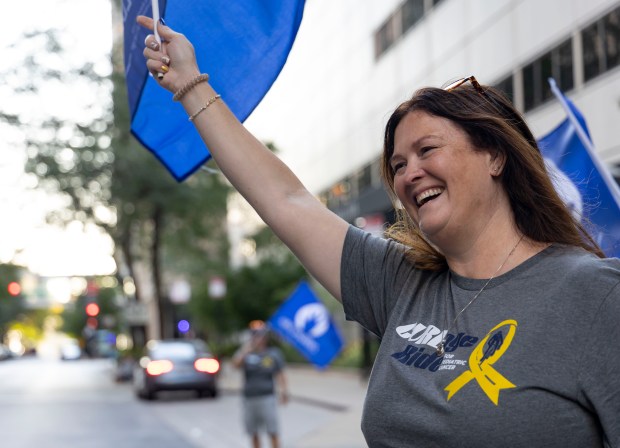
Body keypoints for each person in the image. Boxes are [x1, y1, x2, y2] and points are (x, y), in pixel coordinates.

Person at [138, 17, 620, 447]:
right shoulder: (400, 281)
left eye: (427, 150)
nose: (410, 174)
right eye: (398, 165)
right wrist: (190, 86)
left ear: (495, 156)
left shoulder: (593, 296)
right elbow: (286, 201)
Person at [231, 323, 288, 448]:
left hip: (267, 397)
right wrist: (245, 351)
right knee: (253, 432)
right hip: (250, 398)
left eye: (260, 336)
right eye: (255, 336)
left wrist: (284, 392)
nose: (258, 339)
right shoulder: (246, 354)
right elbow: (234, 365)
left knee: (272, 430)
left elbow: (280, 374)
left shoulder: (273, 354)